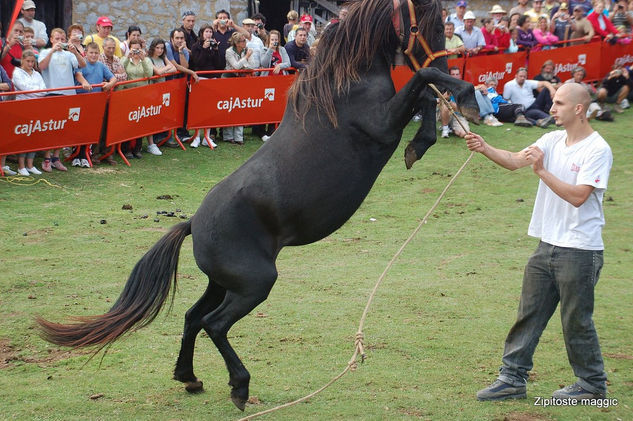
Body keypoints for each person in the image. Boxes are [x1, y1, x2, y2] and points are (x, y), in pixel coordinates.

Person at [471, 82, 612, 404]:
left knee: (576, 320)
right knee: (529, 313)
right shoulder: (551, 139)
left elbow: (579, 196)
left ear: (578, 109)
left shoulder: (597, 150)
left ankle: (592, 385)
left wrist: (542, 172)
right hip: (547, 245)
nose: (551, 109)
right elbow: (513, 160)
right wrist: (485, 147)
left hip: (580, 250)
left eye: (559, 103)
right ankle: (511, 379)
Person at [39, 28, 90, 172]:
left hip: (68, 94)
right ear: (51, 39)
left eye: (62, 39)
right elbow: (41, 66)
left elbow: (83, 65)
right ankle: (47, 158)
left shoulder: (69, 54)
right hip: (52, 92)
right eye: (57, 39)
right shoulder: (44, 52)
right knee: (51, 127)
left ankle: (56, 157)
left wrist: (75, 51)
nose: (60, 42)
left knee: (63, 128)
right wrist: (52, 51)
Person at [73, 42, 117, 167]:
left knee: (90, 130)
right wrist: (85, 83)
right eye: (91, 53)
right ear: (86, 53)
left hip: (95, 102)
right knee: (79, 129)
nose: (93, 55)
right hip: (81, 101)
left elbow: (113, 78)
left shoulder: (101, 66)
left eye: (96, 53)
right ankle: (76, 154)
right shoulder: (81, 63)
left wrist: (109, 85)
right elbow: (78, 74)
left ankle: (85, 154)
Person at [11, 50, 46, 176]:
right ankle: (21, 166)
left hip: (37, 107)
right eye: (28, 61)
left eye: (32, 61)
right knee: (24, 137)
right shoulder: (17, 72)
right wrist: (36, 91)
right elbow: (24, 88)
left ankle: (30, 165)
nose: (31, 64)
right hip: (23, 108)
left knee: (34, 136)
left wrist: (34, 92)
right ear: (22, 61)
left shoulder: (37, 74)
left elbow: (44, 90)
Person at [121, 39, 154, 159]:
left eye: (138, 49)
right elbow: (120, 69)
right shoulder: (125, 60)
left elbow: (149, 74)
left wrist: (143, 59)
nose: (135, 51)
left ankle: (137, 148)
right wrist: (126, 57)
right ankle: (126, 149)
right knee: (127, 122)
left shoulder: (147, 60)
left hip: (142, 95)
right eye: (133, 48)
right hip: (128, 95)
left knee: (139, 121)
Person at [223, 32, 258, 145]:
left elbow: (253, 65)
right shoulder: (229, 51)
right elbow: (235, 66)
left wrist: (244, 64)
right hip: (228, 80)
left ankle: (239, 136)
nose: (245, 42)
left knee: (240, 106)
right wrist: (246, 58)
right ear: (237, 43)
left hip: (241, 80)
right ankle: (228, 135)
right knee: (229, 106)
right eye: (243, 41)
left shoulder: (246, 49)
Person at [190, 24, 221, 148]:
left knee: (209, 108)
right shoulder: (196, 46)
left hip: (212, 78)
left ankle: (207, 136)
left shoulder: (213, 45)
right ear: (202, 33)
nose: (209, 34)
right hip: (200, 79)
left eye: (210, 32)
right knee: (200, 108)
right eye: (206, 32)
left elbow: (219, 64)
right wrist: (203, 48)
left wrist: (216, 50)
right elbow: (197, 63)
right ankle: (197, 136)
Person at [259, 29, 291, 141]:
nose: (274, 41)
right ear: (269, 40)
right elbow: (263, 63)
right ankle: (261, 131)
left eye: (276, 40)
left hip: (280, 82)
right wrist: (270, 50)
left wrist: (280, 66)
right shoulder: (263, 49)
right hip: (267, 81)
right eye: (272, 39)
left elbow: (288, 62)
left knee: (276, 106)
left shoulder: (282, 50)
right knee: (265, 106)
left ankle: (272, 130)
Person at [438, 66, 472, 138]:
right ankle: (445, 130)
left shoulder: (464, 89)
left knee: (464, 134)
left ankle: (451, 127)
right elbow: (435, 101)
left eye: (457, 74)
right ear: (449, 76)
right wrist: (442, 99)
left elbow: (462, 110)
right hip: (441, 113)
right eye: (453, 74)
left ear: (460, 76)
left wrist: (450, 101)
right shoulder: (443, 86)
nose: (455, 76)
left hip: (458, 115)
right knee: (445, 105)